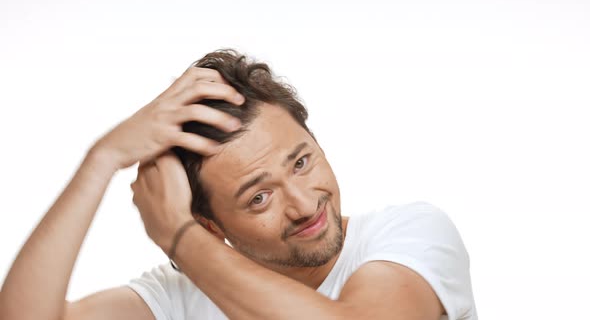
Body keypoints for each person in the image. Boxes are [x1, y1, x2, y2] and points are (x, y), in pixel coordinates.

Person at [0, 49, 477, 319]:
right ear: (210, 225)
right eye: (259, 197)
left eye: (301, 161)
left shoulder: (408, 235)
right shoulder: (179, 298)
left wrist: (178, 238)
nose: (302, 203)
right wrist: (100, 161)